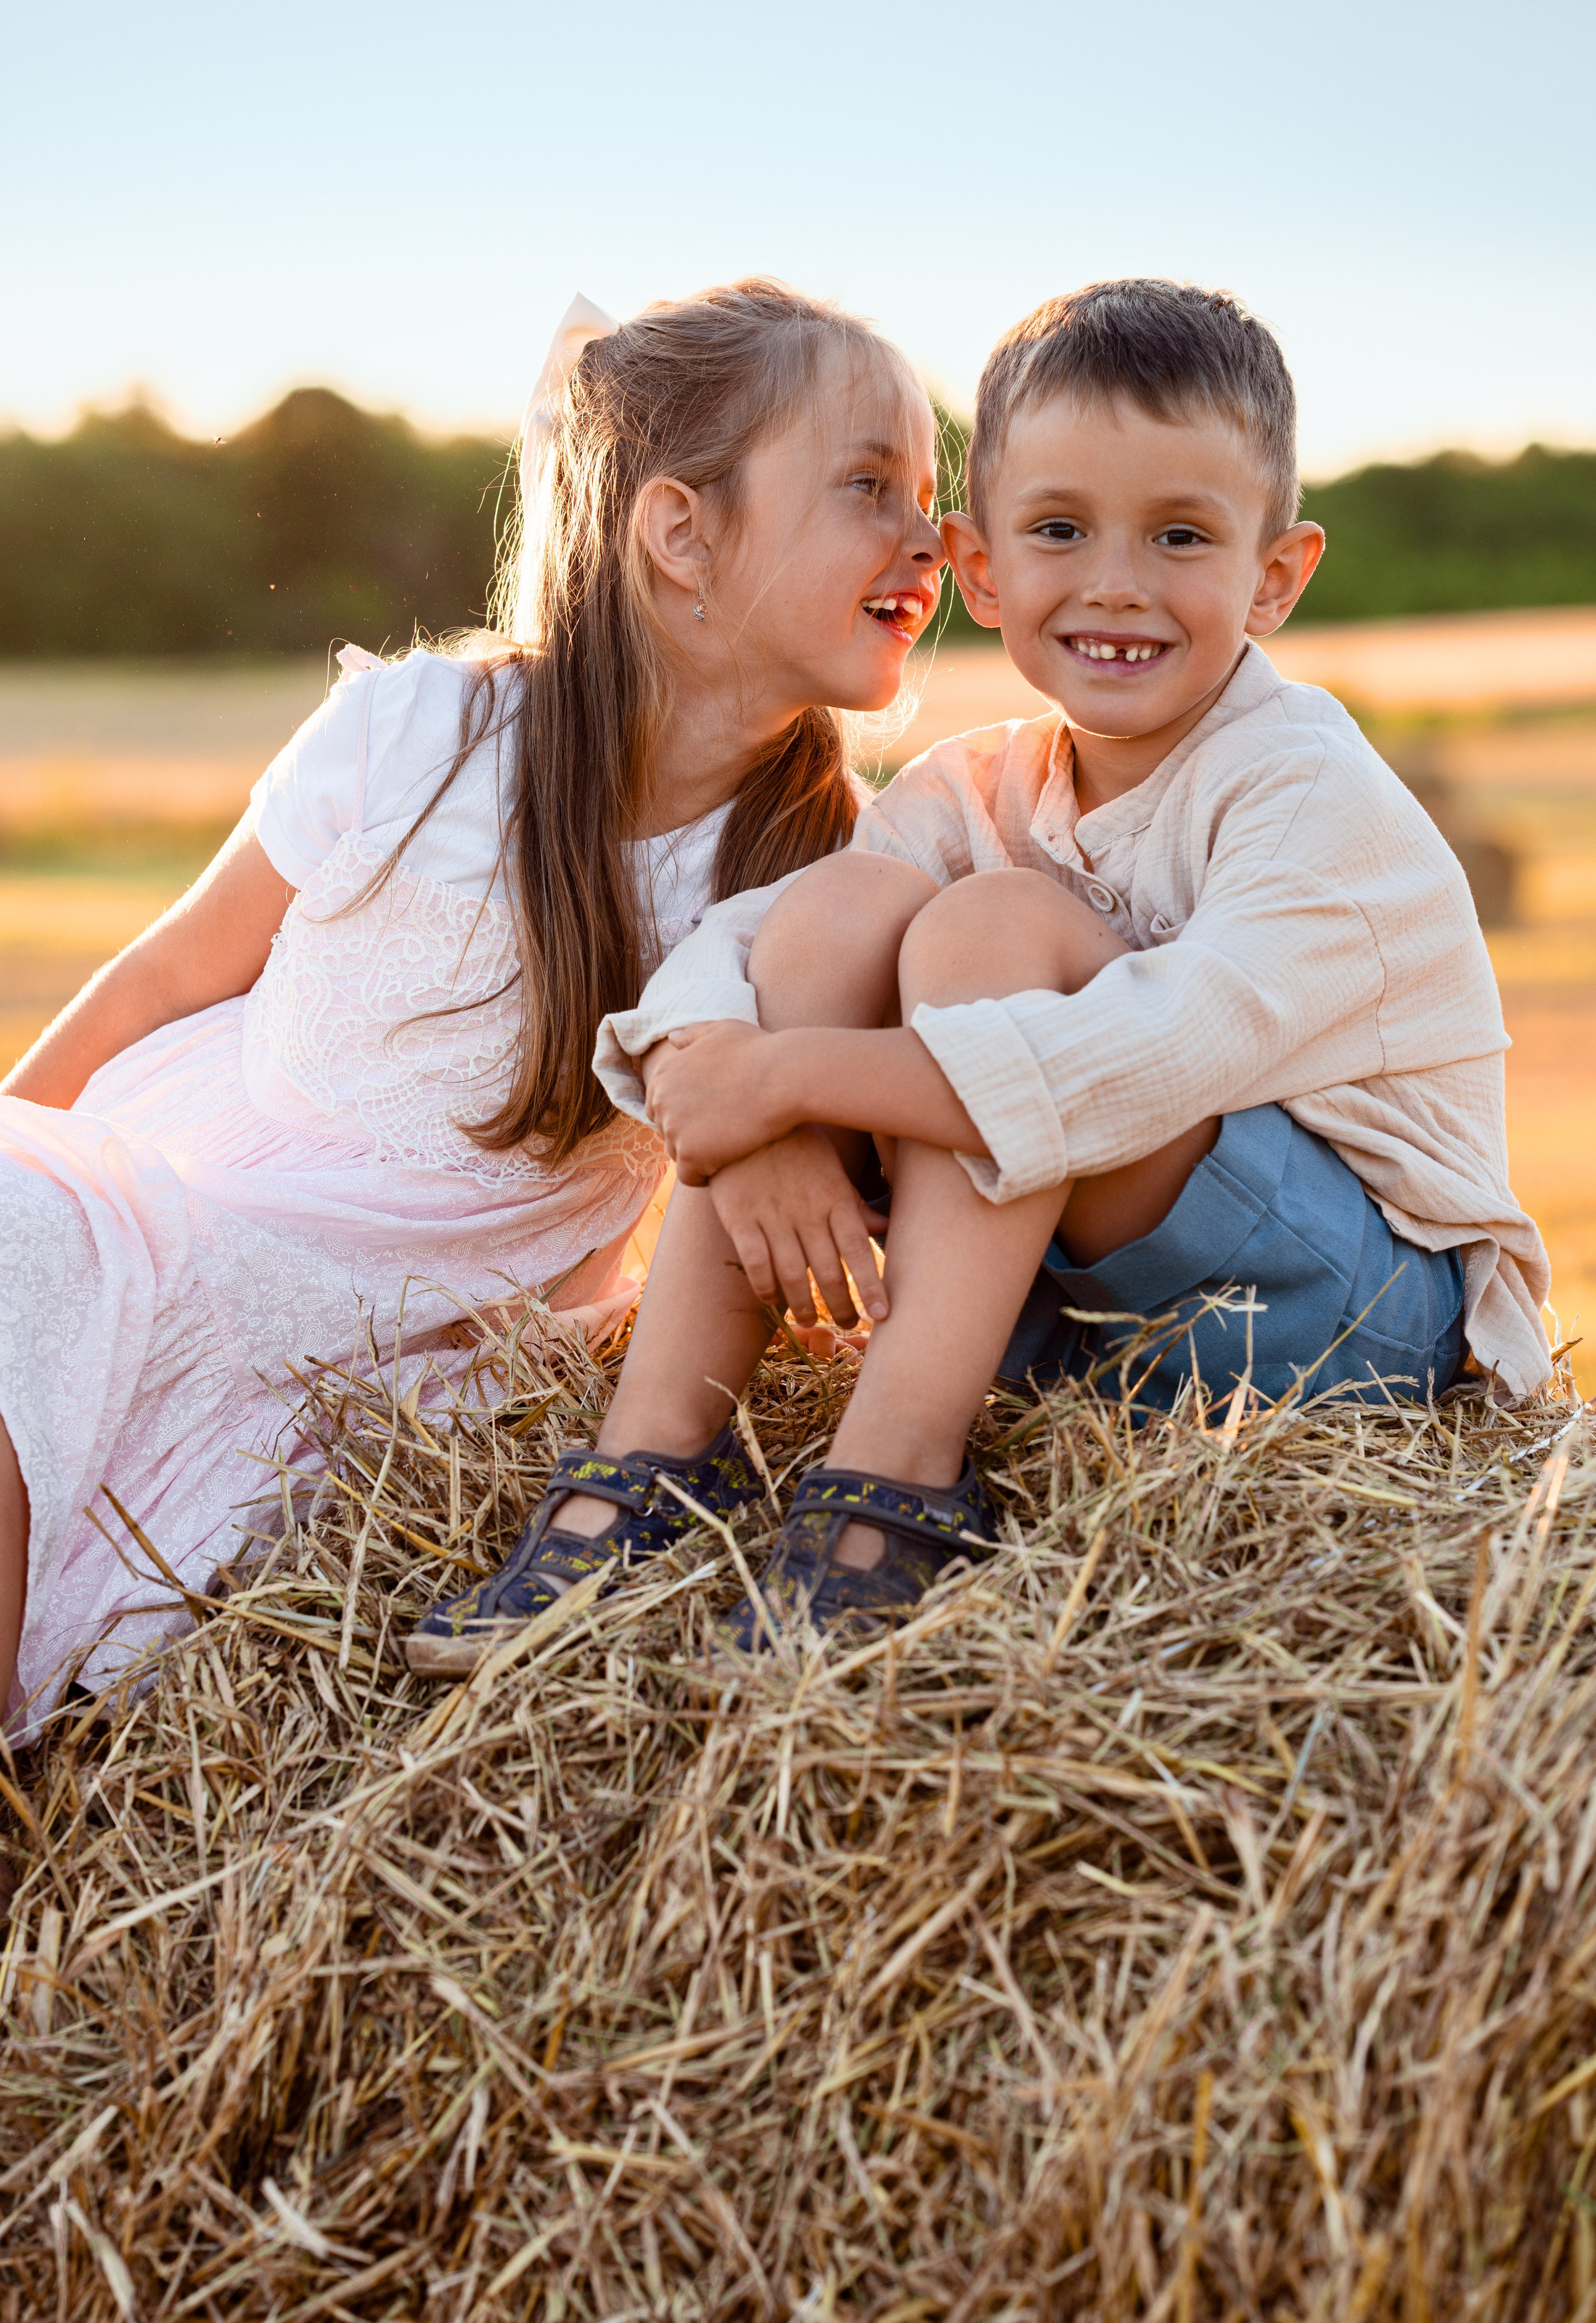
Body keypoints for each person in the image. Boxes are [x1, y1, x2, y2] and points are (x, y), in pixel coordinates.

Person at [0, 278, 946, 2250]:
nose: (932, 536)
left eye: (934, 490)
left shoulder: (826, 864)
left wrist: (788, 1119)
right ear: (680, 531)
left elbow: (793, 1146)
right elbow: (161, 981)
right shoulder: (421, 733)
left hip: (390, 1354)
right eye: (874, 485)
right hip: (164, 1216)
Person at [411, 277, 1550, 1677]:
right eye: (1060, 529)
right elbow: (744, 946)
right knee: (845, 911)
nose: (1115, 582)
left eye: (1181, 535)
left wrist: (786, 1078)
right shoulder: (979, 782)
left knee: (990, 930)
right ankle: (655, 1456)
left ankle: (898, 1473)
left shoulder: (1307, 790)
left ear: (1276, 574)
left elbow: (1146, 1060)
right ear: (981, 563)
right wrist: (745, 1105)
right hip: (1066, 1317)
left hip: (1338, 1323)